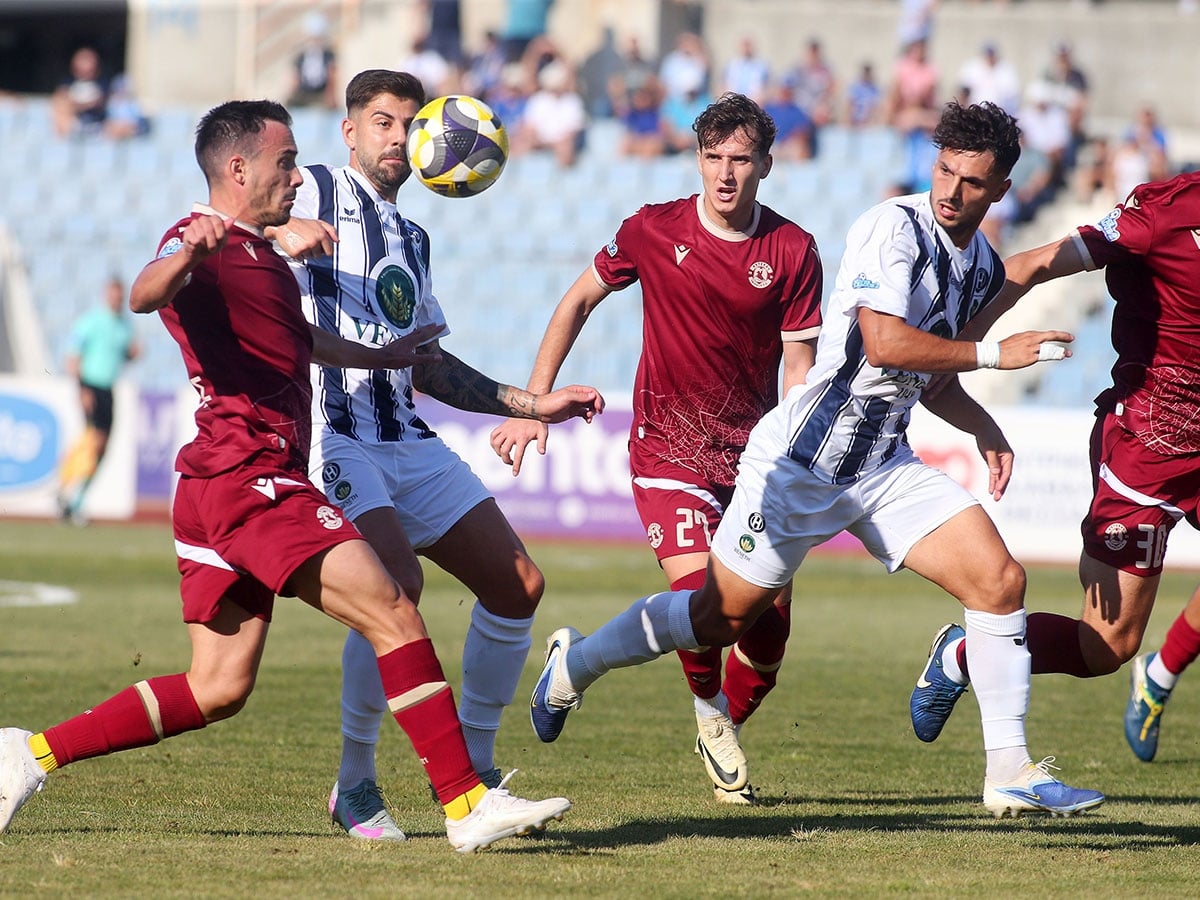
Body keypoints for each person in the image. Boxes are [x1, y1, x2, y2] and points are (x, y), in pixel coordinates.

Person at [0, 99, 584, 853]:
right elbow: (146, 294)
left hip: (216, 485)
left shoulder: (265, 259)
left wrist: (383, 356)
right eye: (285, 163)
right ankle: (465, 801)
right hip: (250, 478)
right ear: (238, 168)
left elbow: (302, 339)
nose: (298, 178)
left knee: (218, 687)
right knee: (392, 605)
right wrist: (189, 253)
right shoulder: (199, 239)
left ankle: (27, 754)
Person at [525, 101, 1106, 819]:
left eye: (972, 182)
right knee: (715, 620)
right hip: (802, 463)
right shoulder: (893, 229)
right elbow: (886, 344)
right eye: (944, 171)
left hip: (883, 466)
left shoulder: (977, 264)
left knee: (999, 580)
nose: (952, 191)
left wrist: (983, 425)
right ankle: (578, 663)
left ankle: (1009, 770)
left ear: (1001, 190)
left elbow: (937, 373)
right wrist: (994, 354)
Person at [270, 68, 604, 840]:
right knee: (396, 587)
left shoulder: (413, 239)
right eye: (382, 122)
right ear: (350, 132)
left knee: (519, 586)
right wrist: (276, 233)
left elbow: (430, 367)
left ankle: (477, 768)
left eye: (409, 124)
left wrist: (533, 403)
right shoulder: (313, 188)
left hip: (407, 436)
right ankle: (355, 781)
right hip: (335, 433)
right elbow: (228, 223)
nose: (399, 138)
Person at [492, 93, 823, 804]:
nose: (726, 173)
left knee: (768, 639)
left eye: (741, 160)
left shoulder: (793, 250)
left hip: (754, 460)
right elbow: (578, 300)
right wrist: (532, 402)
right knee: (703, 603)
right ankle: (709, 716)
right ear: (697, 159)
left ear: (766, 165)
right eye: (713, 157)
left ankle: (578, 664)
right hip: (668, 449)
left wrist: (797, 455)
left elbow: (798, 368)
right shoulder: (652, 228)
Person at [904, 166, 1200, 766]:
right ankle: (962, 654)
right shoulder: (1166, 213)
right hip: (1151, 445)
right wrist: (965, 352)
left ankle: (1162, 674)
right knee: (1104, 646)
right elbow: (1033, 264)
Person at [56, 275, 140, 524]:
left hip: (107, 389)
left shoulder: (124, 325)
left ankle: (74, 499)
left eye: (119, 295)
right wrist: (82, 389)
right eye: (113, 294)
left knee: (100, 447)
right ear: (106, 294)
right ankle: (66, 490)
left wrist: (132, 354)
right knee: (94, 440)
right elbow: (73, 355)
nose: (116, 299)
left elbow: (123, 355)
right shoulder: (92, 321)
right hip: (91, 386)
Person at [51, 46, 108, 138]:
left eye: (89, 70)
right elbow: (60, 101)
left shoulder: (103, 84)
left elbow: (100, 101)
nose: (85, 73)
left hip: (98, 126)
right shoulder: (67, 84)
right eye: (81, 70)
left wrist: (77, 104)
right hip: (74, 125)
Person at [288, 12, 339, 110]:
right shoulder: (301, 56)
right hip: (303, 93)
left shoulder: (328, 56)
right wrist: (292, 94)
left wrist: (331, 97)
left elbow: (332, 77)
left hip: (321, 93)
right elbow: (295, 78)